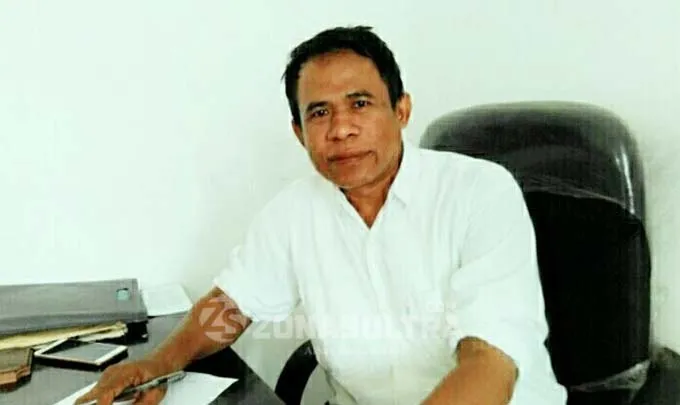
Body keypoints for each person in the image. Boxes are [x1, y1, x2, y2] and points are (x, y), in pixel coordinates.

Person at [75, 26, 567, 405]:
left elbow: (490, 365)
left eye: (360, 104)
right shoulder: (295, 212)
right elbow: (232, 305)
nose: (341, 129)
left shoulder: (480, 193)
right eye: (319, 112)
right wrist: (159, 363)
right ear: (299, 133)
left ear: (401, 110)